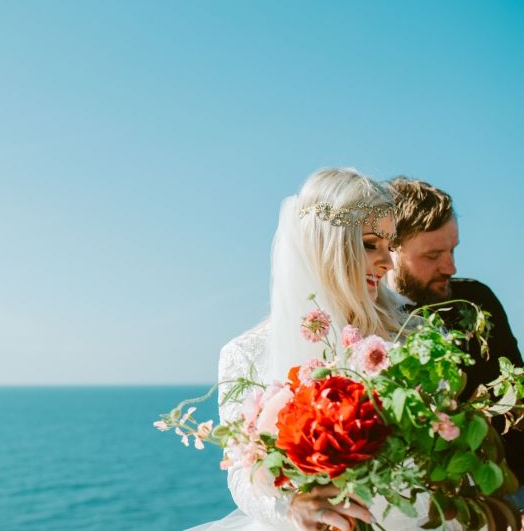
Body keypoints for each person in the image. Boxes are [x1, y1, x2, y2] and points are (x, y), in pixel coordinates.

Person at [187, 168, 449, 531]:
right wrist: (292, 506)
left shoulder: (415, 337)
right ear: (327, 247)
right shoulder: (245, 354)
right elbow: (242, 475)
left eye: (390, 247)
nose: (387, 263)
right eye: (371, 244)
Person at [388, 177, 524, 504]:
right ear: (390, 249)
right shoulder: (371, 324)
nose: (450, 267)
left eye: (452, 249)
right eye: (433, 255)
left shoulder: (477, 299)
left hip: (511, 487)